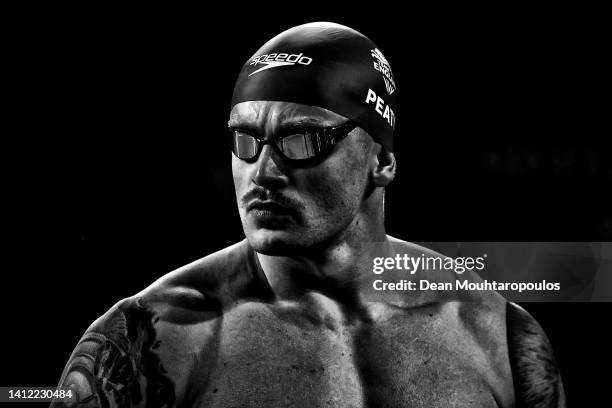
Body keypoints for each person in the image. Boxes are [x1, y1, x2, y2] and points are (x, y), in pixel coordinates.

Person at [52, 22, 565, 407]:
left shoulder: (497, 334)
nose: (264, 171)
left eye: (303, 140)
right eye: (246, 141)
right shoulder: (149, 340)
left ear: (381, 161)